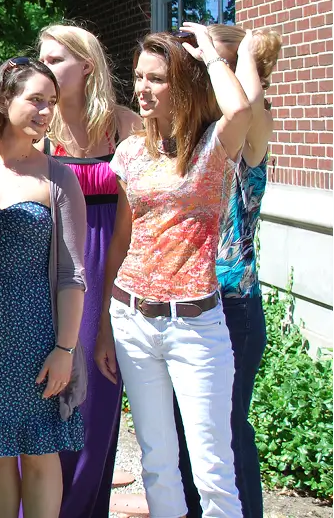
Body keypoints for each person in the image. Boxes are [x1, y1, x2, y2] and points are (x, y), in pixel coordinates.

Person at [95, 24, 252, 518]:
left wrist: (208, 52)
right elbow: (122, 240)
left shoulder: (213, 147)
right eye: (139, 77)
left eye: (157, 79)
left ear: (182, 85)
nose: (142, 88)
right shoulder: (129, 151)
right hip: (131, 318)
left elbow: (240, 110)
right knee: (158, 463)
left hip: (196, 327)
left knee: (212, 470)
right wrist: (104, 327)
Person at [0, 57, 87, 518]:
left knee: (39, 452)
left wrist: (65, 349)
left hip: (37, 338)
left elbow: (73, 274)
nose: (45, 111)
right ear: (3, 99)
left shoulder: (58, 177)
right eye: (35, 99)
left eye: (51, 102)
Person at [175, 26, 282, 518]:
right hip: (182, 304)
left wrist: (244, 50)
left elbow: (249, 104)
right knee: (185, 434)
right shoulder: (192, 137)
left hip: (232, 306)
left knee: (227, 432)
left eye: (206, 62)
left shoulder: (250, 136)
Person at [37, 24, 141, 518]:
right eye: (42, 59)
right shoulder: (37, 124)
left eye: (55, 60)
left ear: (86, 66)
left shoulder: (126, 126)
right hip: (48, 267)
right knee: (44, 398)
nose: (44, 69)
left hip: (107, 268)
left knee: (96, 399)